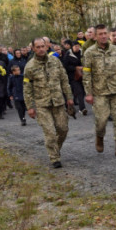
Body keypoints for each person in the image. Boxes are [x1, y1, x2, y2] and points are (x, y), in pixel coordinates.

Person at [24, 38, 74, 168]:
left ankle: (55, 149)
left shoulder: (55, 61)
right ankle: (54, 158)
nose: (41, 49)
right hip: (42, 104)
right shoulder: (29, 67)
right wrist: (30, 107)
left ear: (47, 47)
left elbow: (64, 80)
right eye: (38, 47)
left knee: (63, 129)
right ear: (33, 48)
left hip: (58, 101)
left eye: (43, 46)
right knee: (50, 133)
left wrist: (69, 97)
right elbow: (27, 88)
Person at [83, 24, 116, 157]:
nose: (104, 36)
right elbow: (87, 74)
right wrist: (88, 93)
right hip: (99, 92)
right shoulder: (90, 53)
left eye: (105, 33)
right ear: (95, 36)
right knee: (101, 121)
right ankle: (99, 137)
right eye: (100, 34)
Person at [63, 41, 87, 115]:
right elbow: (65, 66)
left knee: (83, 91)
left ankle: (78, 103)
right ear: (72, 47)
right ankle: (82, 108)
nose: (77, 48)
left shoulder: (82, 53)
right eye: (75, 46)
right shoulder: (68, 54)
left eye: (78, 46)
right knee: (79, 91)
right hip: (73, 77)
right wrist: (75, 68)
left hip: (83, 75)